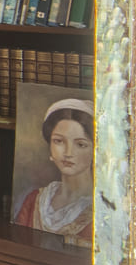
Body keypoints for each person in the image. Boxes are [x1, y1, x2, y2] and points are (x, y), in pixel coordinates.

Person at [14, 98, 94, 239]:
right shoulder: (35, 200)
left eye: (80, 144)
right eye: (59, 141)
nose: (68, 153)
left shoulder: (102, 209)